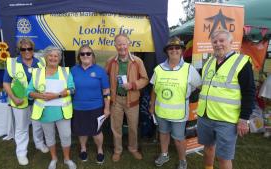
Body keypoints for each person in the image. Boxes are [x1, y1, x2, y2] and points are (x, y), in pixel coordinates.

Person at [197, 29, 255, 169]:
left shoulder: (241, 62)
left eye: (221, 41)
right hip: (205, 116)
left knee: (224, 157)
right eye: (215, 42)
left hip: (227, 120)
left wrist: (244, 119)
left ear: (231, 42)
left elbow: (249, 92)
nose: (218, 44)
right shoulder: (209, 62)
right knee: (208, 148)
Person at [149, 37, 201, 168]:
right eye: (171, 48)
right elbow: (154, 89)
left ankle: (183, 160)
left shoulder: (189, 69)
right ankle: (164, 154)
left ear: (182, 51)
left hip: (179, 113)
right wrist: (151, 105)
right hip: (161, 111)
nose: (174, 50)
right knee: (163, 133)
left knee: (178, 138)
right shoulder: (159, 69)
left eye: (177, 48)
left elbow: (198, 86)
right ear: (167, 51)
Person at [27, 46, 76, 169]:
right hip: (45, 112)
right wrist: (39, 95)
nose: (53, 58)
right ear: (46, 57)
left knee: (66, 136)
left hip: (62, 111)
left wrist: (57, 95)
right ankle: (54, 158)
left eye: (56, 56)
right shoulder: (37, 72)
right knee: (49, 137)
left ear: (59, 59)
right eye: (51, 55)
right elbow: (29, 92)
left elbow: (72, 89)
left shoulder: (65, 72)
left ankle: (66, 159)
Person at [3, 38, 48, 166]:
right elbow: (6, 83)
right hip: (19, 101)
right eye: (23, 49)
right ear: (19, 50)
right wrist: (13, 98)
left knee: (38, 124)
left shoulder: (41, 62)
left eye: (29, 49)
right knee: (22, 128)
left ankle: (39, 144)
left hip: (37, 100)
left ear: (33, 50)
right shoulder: (12, 63)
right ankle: (21, 153)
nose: (27, 51)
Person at [105, 34, 149, 162]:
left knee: (133, 127)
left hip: (132, 100)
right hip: (116, 100)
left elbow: (145, 79)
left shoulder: (137, 61)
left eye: (124, 44)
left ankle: (133, 148)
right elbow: (105, 78)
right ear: (115, 46)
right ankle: (117, 150)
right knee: (116, 127)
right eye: (119, 44)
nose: (122, 47)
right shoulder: (110, 61)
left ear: (129, 44)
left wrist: (133, 85)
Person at [71, 45, 110, 164]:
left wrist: (107, 108)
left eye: (88, 53)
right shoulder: (73, 70)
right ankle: (83, 148)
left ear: (93, 56)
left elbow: (106, 91)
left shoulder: (100, 70)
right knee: (82, 131)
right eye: (82, 54)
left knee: (96, 132)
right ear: (79, 57)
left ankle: (99, 150)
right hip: (78, 107)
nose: (85, 56)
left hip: (96, 107)